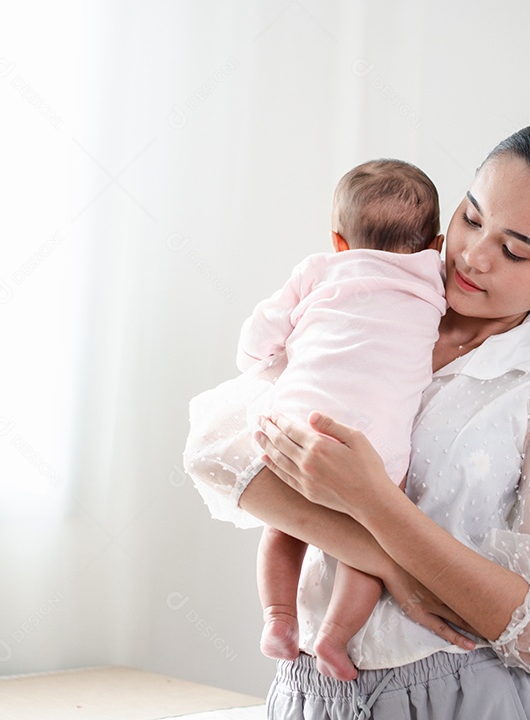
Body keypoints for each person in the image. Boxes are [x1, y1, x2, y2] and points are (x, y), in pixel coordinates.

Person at [195, 121, 530, 719]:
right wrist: (387, 563)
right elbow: (217, 454)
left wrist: (375, 501)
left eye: (514, 251)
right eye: (472, 218)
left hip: (461, 694)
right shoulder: (363, 304)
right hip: (310, 691)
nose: (472, 257)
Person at [184, 159, 448, 681]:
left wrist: (260, 358)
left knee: (284, 528)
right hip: (378, 448)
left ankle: (279, 620)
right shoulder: (435, 285)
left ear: (338, 240)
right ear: (436, 245)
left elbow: (262, 332)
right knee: (367, 541)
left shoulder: (318, 269)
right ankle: (334, 638)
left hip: (297, 426)